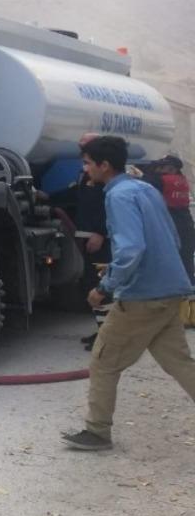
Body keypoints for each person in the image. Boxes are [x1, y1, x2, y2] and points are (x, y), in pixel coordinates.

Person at [62, 136, 195, 451]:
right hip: (169, 291)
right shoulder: (144, 189)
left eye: (87, 163)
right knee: (180, 363)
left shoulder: (118, 196)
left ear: (104, 165)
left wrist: (104, 287)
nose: (85, 169)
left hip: (141, 297)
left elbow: (131, 248)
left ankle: (97, 432)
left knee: (103, 361)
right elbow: (174, 237)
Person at [73, 132, 110, 350]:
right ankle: (102, 330)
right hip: (88, 236)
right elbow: (78, 195)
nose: (82, 152)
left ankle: (107, 337)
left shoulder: (105, 177)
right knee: (90, 284)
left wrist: (100, 232)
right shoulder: (87, 173)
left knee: (101, 286)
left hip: (101, 240)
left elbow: (108, 207)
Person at [155, 154, 195, 285]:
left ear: (172, 169)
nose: (159, 170)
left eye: (162, 167)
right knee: (187, 261)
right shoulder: (182, 179)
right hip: (187, 223)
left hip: (173, 223)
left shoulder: (164, 180)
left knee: (172, 261)